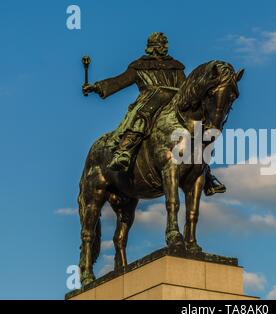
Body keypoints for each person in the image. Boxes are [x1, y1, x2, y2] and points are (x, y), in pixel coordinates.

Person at [82, 32, 226, 196]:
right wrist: (96, 87)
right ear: (151, 47)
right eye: (159, 44)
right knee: (140, 118)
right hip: (150, 101)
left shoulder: (176, 66)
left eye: (164, 44)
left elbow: (185, 88)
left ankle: (205, 173)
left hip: (174, 103)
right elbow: (119, 81)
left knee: (197, 131)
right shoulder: (139, 66)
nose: (163, 47)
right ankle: (125, 151)